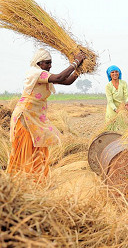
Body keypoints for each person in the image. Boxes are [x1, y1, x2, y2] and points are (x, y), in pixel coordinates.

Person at [7, 48, 86, 181]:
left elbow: (66, 81)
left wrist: (80, 70)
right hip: (25, 117)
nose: (49, 66)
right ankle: (19, 180)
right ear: (39, 63)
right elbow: (60, 77)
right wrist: (76, 62)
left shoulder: (42, 74)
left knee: (38, 145)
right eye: (47, 63)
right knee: (25, 148)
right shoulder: (35, 73)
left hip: (35, 117)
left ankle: (35, 180)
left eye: (50, 63)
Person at [105, 65, 128, 131]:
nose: (115, 74)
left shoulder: (123, 83)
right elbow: (110, 101)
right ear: (109, 74)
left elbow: (127, 94)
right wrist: (116, 110)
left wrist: (127, 103)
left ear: (119, 73)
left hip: (122, 108)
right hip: (112, 110)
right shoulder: (108, 86)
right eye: (112, 72)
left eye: (116, 72)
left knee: (124, 127)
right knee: (111, 129)